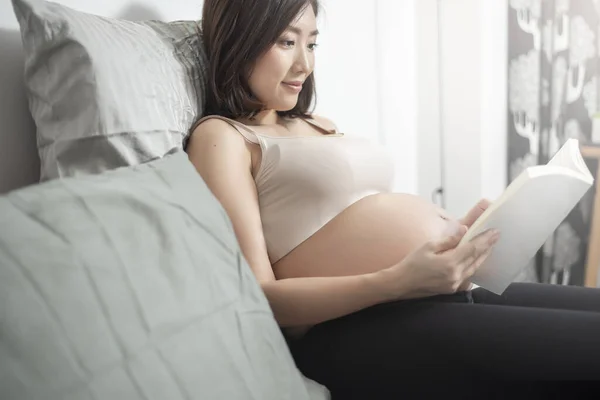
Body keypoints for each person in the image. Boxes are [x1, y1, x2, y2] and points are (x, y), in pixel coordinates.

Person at [186, 0, 600, 396]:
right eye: (286, 42)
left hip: (432, 295)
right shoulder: (223, 137)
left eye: (311, 43)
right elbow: (260, 298)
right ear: (239, 37)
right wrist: (399, 279)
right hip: (355, 329)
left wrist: (459, 237)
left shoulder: (317, 123)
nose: (305, 65)